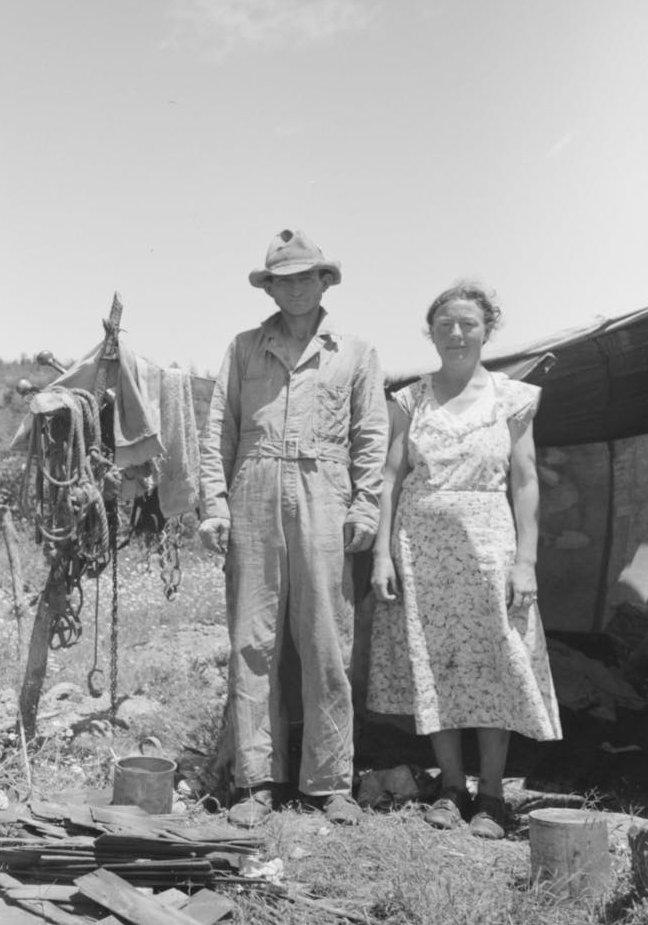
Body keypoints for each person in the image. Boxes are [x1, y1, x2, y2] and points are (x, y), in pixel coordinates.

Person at [200, 229, 388, 828]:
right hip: (253, 490)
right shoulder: (244, 347)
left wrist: (365, 506)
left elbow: (371, 437)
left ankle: (330, 782)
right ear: (271, 287)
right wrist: (215, 505)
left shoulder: (355, 352)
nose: (297, 287)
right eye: (285, 279)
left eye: (308, 277)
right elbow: (217, 433)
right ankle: (256, 779)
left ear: (324, 281)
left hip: (325, 496)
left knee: (326, 640)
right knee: (253, 642)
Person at [367, 283, 561, 840]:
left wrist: (526, 561)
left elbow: (525, 481)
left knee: (496, 661)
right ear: (430, 332)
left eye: (468, 324)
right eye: (445, 324)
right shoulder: (409, 399)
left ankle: (493, 796)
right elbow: (390, 478)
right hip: (421, 548)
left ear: (487, 330)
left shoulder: (514, 398)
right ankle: (452, 788)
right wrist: (382, 553)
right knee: (437, 664)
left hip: (489, 547)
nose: (456, 334)